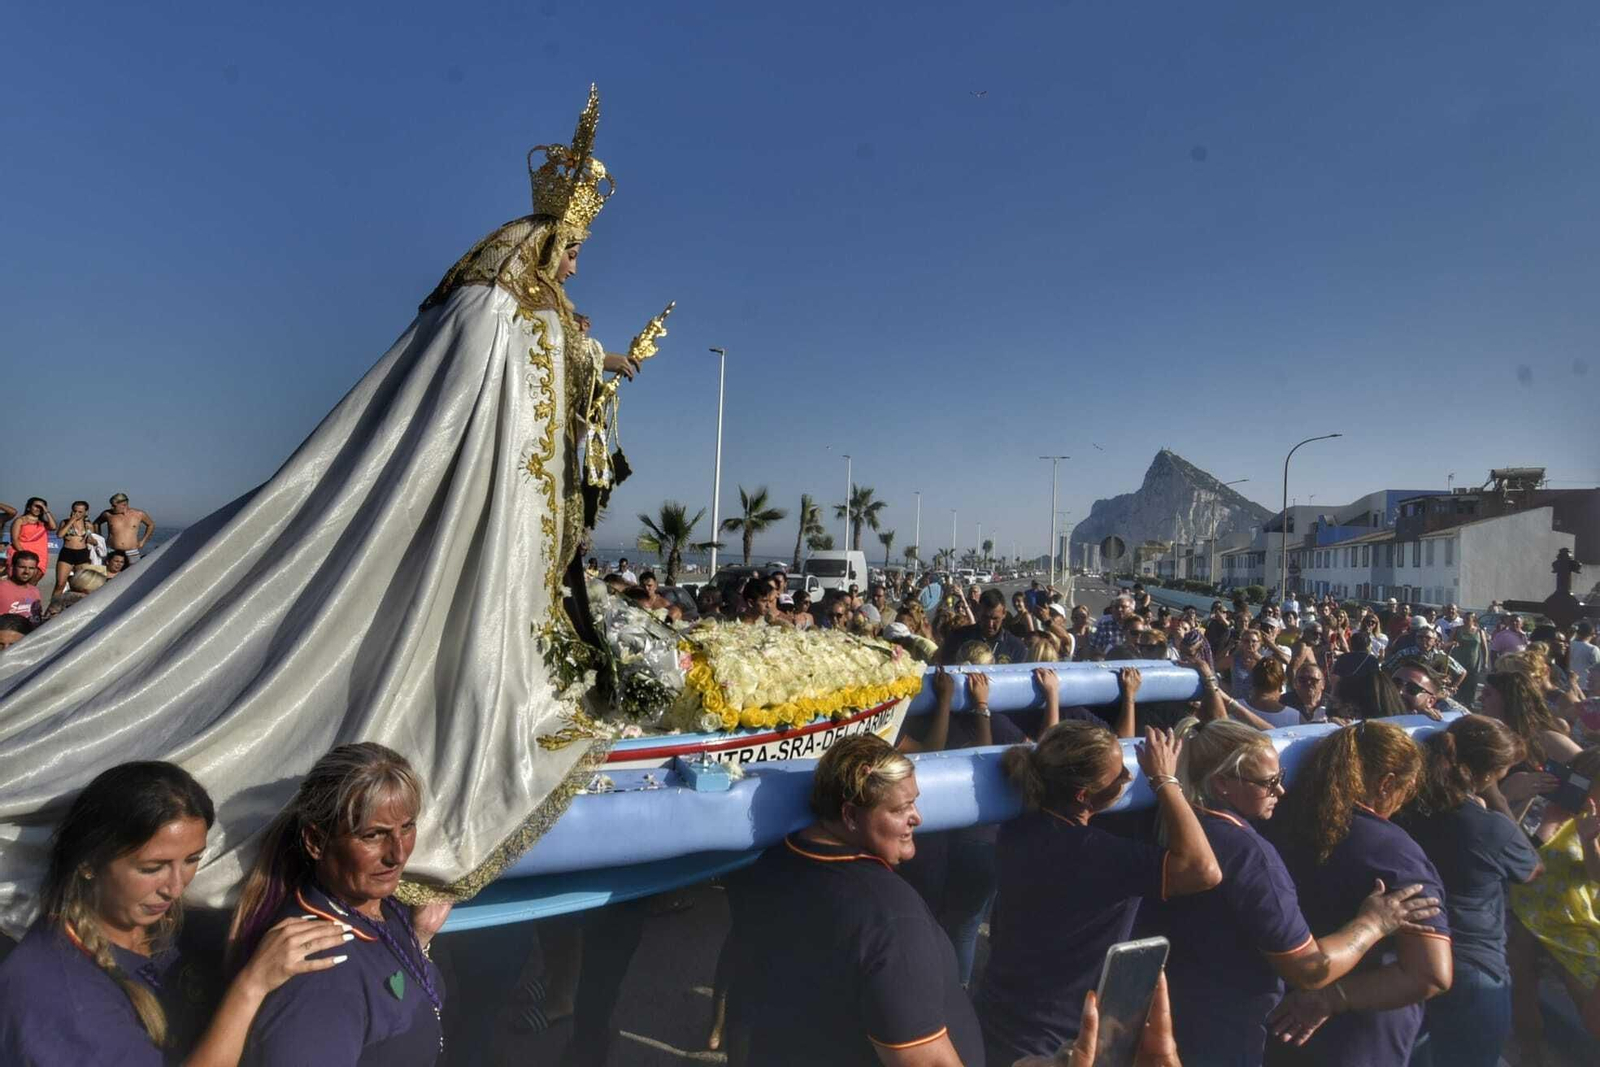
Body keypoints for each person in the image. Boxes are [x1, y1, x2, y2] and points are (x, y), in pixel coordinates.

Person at [0, 761, 351, 1065]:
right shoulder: (53, 990)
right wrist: (251, 987)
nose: (175, 887)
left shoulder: (178, 931)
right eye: (153, 868)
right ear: (90, 862)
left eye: (192, 860)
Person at [1145, 720, 1442, 1066]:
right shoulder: (1248, 854)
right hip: (1230, 1034)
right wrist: (1374, 923)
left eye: (1281, 777)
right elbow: (1310, 969)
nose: (1281, 792)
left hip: (1184, 1014)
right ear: (1222, 783)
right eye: (1269, 783)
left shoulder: (1183, 828)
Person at [723, 734, 983, 1066]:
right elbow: (927, 1061)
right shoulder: (889, 916)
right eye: (899, 808)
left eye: (914, 802)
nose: (916, 817)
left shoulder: (770, 867)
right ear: (849, 815)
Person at [975, 722, 1222, 1062]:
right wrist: (1164, 780)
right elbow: (1204, 870)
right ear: (1083, 795)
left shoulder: (1017, 831)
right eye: (1120, 773)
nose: (1129, 778)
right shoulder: (1095, 854)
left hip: (998, 1019)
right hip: (1055, 1043)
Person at [228, 743, 451, 1065]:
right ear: (316, 841)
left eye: (407, 827)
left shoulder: (382, 909)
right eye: (374, 835)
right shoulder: (319, 968)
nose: (398, 854)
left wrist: (419, 940)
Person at [1266, 721, 1452, 1064]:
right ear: (1386, 784)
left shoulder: (1278, 821)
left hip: (1274, 1025)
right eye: (1407, 790)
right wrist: (1333, 998)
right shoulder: (1394, 852)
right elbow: (1431, 972)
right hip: (1355, 1038)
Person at [1395, 716, 1541, 1067]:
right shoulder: (1490, 827)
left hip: (1412, 957)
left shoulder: (1409, 808)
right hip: (1475, 967)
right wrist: (1500, 800)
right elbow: (1531, 869)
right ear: (1489, 772)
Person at [1508, 746, 1600, 1047]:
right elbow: (1514, 851)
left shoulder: (1594, 824)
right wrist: (1517, 793)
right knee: (1523, 994)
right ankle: (1530, 1058)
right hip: (1524, 915)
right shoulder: (1538, 805)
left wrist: (1590, 841)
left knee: (1589, 1007)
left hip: (1575, 925)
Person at [938, 587, 1027, 665]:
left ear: (1004, 613)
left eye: (995, 618)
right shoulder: (958, 638)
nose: (990, 624)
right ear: (978, 611)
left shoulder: (1016, 647)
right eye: (985, 617)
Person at [53, 500, 95, 600]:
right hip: (67, 552)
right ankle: (53, 607)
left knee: (81, 585)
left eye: (80, 512)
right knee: (60, 583)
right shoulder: (65, 522)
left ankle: (74, 606)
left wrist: (91, 539)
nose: (77, 514)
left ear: (86, 512)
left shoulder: (88, 525)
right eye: (75, 511)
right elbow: (59, 535)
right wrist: (71, 521)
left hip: (82, 554)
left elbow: (92, 540)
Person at [94, 493, 155, 562]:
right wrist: (100, 539)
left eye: (114, 506)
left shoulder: (139, 514)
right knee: (109, 572)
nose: (111, 508)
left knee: (134, 571)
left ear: (124, 504)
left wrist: (143, 541)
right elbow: (96, 523)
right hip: (112, 550)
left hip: (132, 552)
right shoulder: (107, 514)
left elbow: (151, 525)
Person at [6, 498, 54, 579]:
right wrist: (25, 555)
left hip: (40, 554)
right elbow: (14, 539)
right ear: (29, 507)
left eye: (41, 507)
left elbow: (53, 527)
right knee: (19, 579)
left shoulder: (42, 523)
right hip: (22, 551)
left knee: (36, 577)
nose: (38, 509)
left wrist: (46, 510)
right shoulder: (20, 520)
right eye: (36, 506)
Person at [1449, 611, 1488, 706]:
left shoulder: (1479, 631)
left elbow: (1484, 647)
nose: (1465, 621)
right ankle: (1456, 702)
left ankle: (1469, 702)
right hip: (1458, 660)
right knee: (1457, 681)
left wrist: (1485, 662)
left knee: (1471, 683)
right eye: (1464, 618)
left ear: (1473, 620)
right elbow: (1449, 644)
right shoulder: (1457, 630)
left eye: (1468, 619)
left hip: (1473, 662)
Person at [0, 551, 43, 625]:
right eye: (22, 567)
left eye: (31, 568)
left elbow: (37, 619)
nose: (27, 571)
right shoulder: (1, 588)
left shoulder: (35, 591)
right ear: (12, 567)